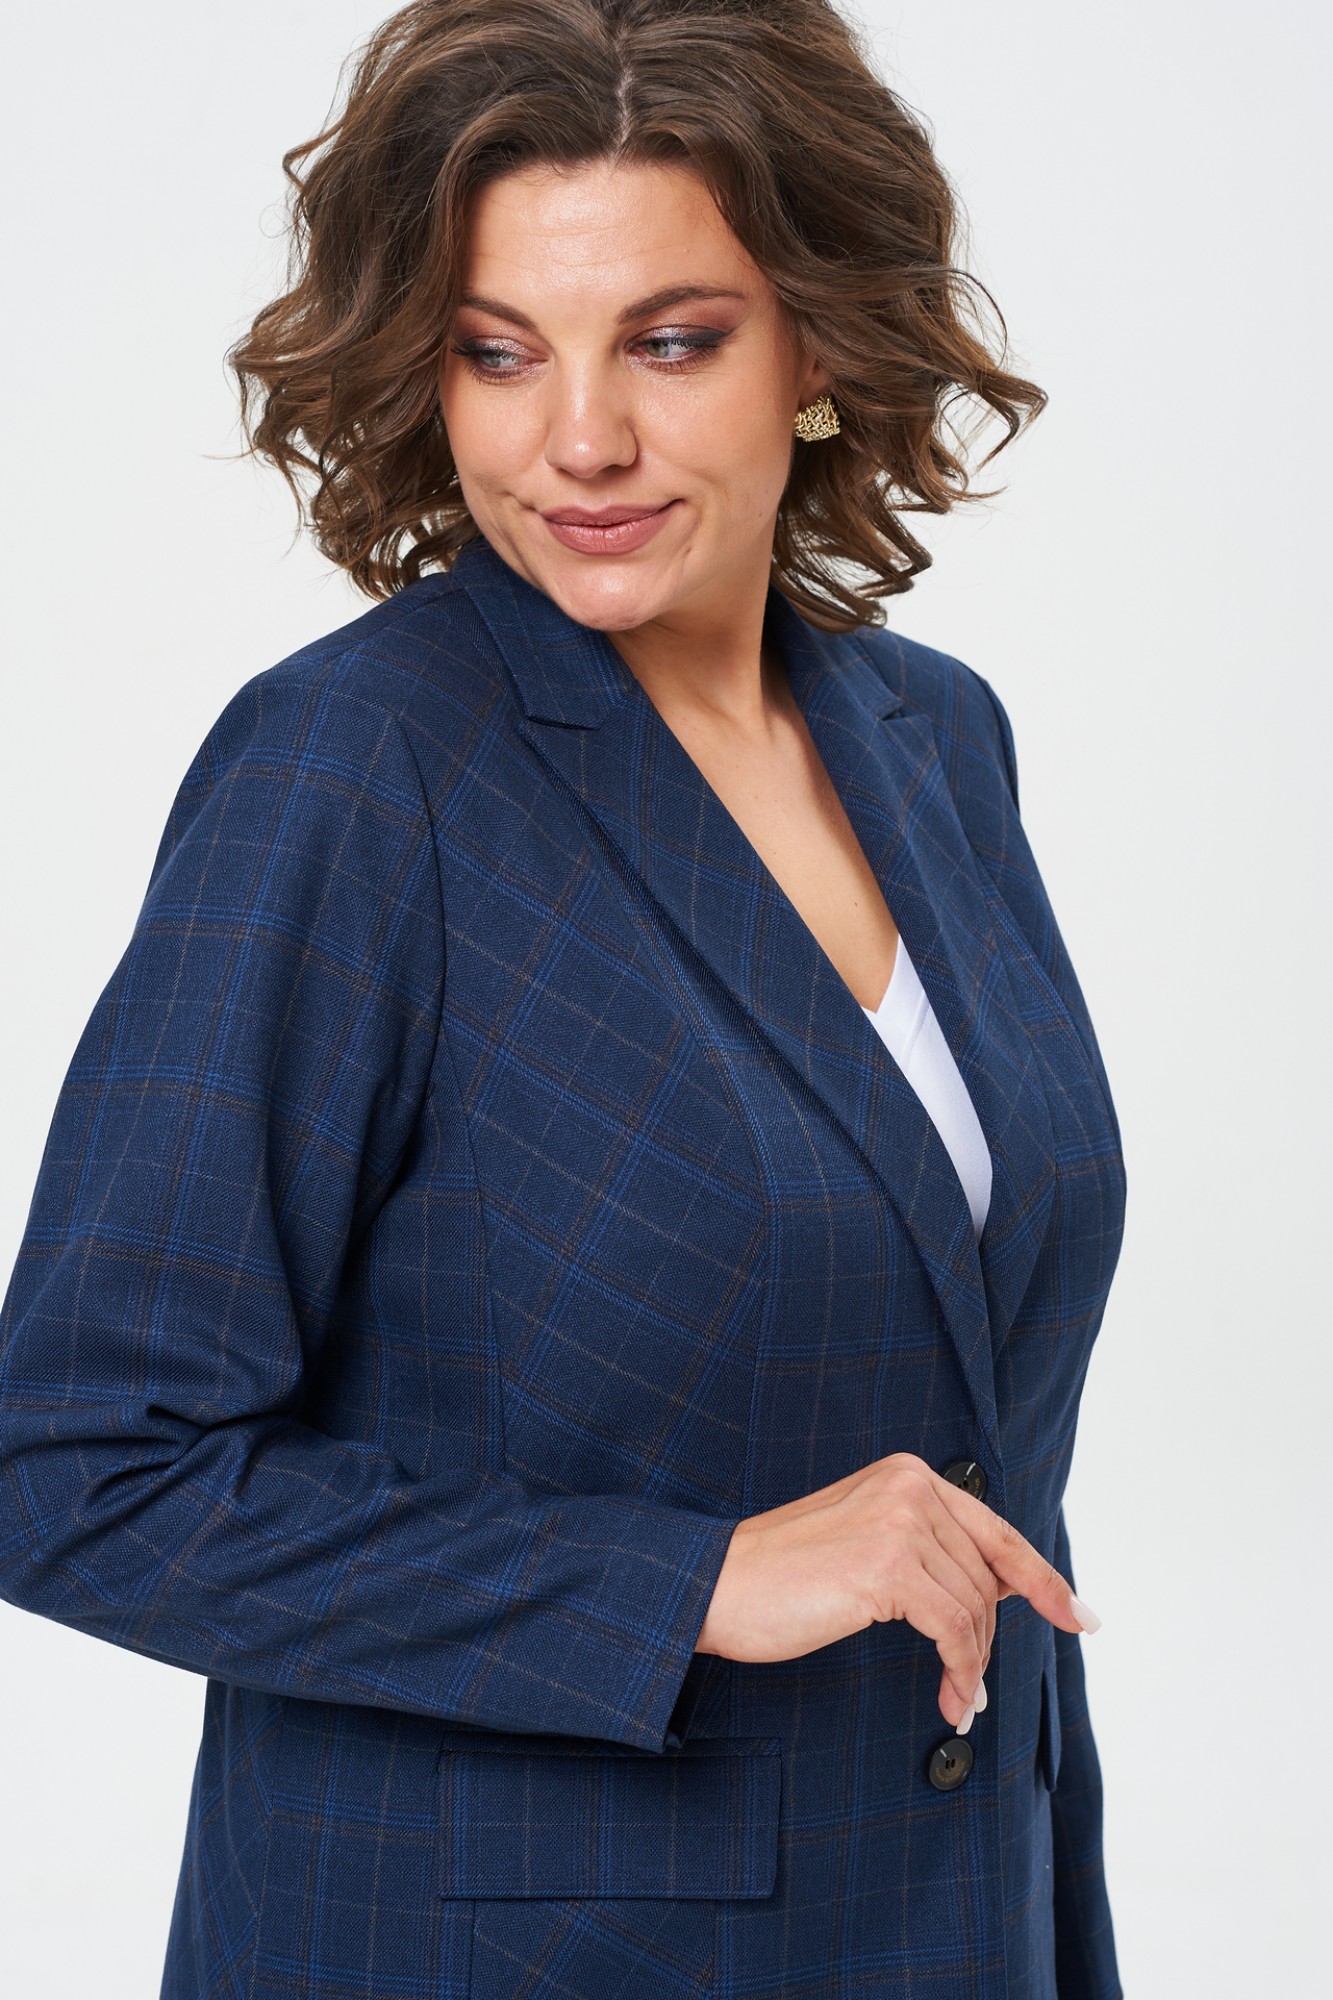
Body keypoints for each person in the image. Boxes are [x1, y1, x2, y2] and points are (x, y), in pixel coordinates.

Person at [0, 3, 1128, 1996]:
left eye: (669, 341)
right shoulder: (360, 769)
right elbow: (81, 1469)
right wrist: (689, 1581)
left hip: (935, 1923)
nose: (577, 437)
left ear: (815, 348)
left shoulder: (933, 742)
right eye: (497, 350)